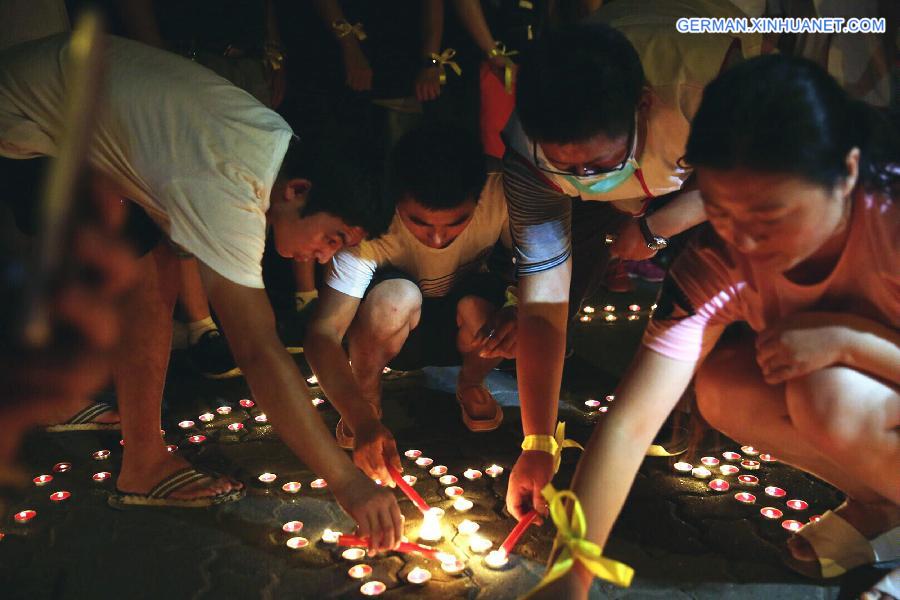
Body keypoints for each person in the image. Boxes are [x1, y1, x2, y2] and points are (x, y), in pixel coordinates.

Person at [0, 33, 405, 553]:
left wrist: (360, 419)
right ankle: (140, 459)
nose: (325, 256)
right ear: (298, 192)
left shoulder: (274, 145)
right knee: (143, 268)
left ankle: (83, 412)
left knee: (156, 260)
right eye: (331, 238)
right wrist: (349, 485)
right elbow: (258, 352)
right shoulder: (229, 188)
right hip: (25, 122)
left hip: (64, 97)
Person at [528, 54, 899, 598]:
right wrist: (569, 573)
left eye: (771, 215)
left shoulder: (889, 217)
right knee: (726, 390)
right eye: (722, 211)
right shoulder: (715, 264)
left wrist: (848, 340)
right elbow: (630, 426)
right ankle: (884, 506)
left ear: (844, 173)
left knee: (831, 393)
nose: (745, 243)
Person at [501, 0, 762, 523]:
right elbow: (542, 299)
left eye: (598, 163)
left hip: (719, 172)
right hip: (644, 185)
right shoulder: (529, 154)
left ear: (642, 104)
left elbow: (750, 180)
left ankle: (695, 412)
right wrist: (536, 441)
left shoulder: (710, 84)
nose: (583, 176)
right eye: (566, 164)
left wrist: (653, 229)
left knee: (710, 309)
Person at [305, 122, 516, 484]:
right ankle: (368, 394)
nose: (437, 238)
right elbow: (324, 331)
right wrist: (361, 417)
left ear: (478, 198)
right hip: (395, 329)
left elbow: (542, 274)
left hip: (465, 324)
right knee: (395, 299)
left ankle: (470, 383)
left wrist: (518, 309)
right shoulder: (369, 217)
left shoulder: (503, 189)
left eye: (456, 223)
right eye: (418, 222)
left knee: (484, 310)